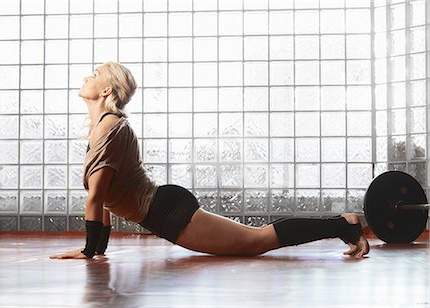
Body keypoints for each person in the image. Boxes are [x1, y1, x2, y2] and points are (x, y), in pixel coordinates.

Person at [50, 62, 370, 260]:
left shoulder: (110, 128)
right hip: (163, 209)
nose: (85, 77)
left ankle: (344, 225)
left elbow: (95, 196)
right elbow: (105, 199)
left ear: (105, 89)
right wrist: (98, 249)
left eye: (93, 74)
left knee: (256, 241)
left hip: (168, 212)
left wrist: (89, 251)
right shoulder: (102, 128)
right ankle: (343, 226)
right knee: (255, 239)